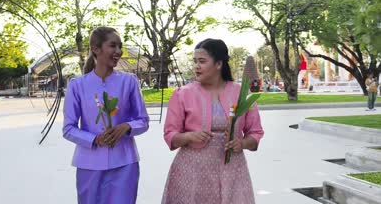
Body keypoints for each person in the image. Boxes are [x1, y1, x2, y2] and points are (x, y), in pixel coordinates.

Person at [162, 38, 264, 204]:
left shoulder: (241, 93)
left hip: (233, 170)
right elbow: (170, 134)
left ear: (218, 64)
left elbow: (256, 132)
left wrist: (242, 143)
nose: (196, 66)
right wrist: (189, 136)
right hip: (192, 171)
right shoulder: (182, 94)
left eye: (202, 61)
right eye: (195, 61)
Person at [63, 26, 149, 204]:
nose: (118, 51)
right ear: (96, 49)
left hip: (125, 163)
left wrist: (127, 127)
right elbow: (68, 129)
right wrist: (95, 139)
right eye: (113, 46)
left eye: (120, 46)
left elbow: (143, 121)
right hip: (89, 164)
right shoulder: (77, 85)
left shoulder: (129, 82)